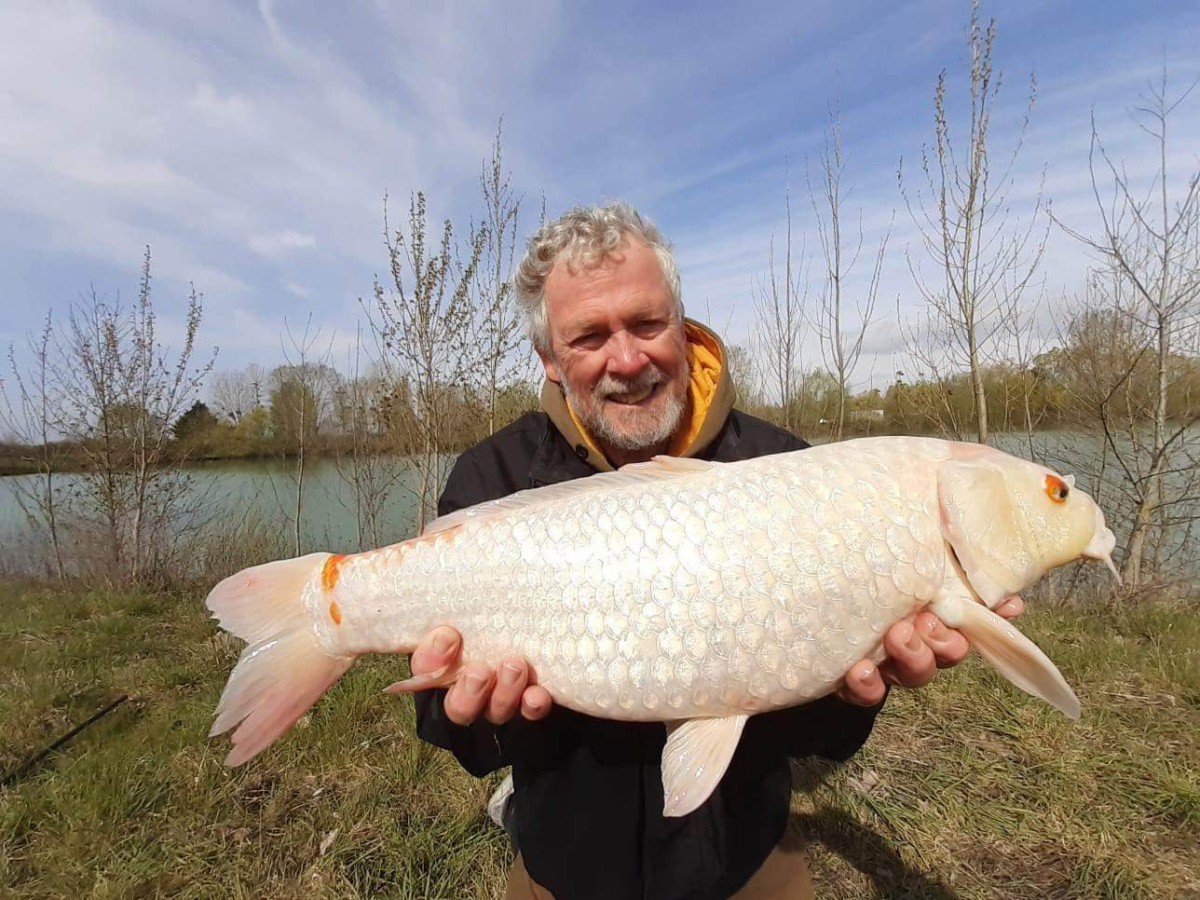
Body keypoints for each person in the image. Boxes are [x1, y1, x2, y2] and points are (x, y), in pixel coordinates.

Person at [409, 203, 1024, 899]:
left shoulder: (783, 467)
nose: (628, 358)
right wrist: (486, 722)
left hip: (746, 864)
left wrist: (859, 688)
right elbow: (447, 730)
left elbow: (822, 738)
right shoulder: (493, 478)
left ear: (682, 321)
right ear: (549, 359)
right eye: (589, 337)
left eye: (647, 323)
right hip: (566, 875)